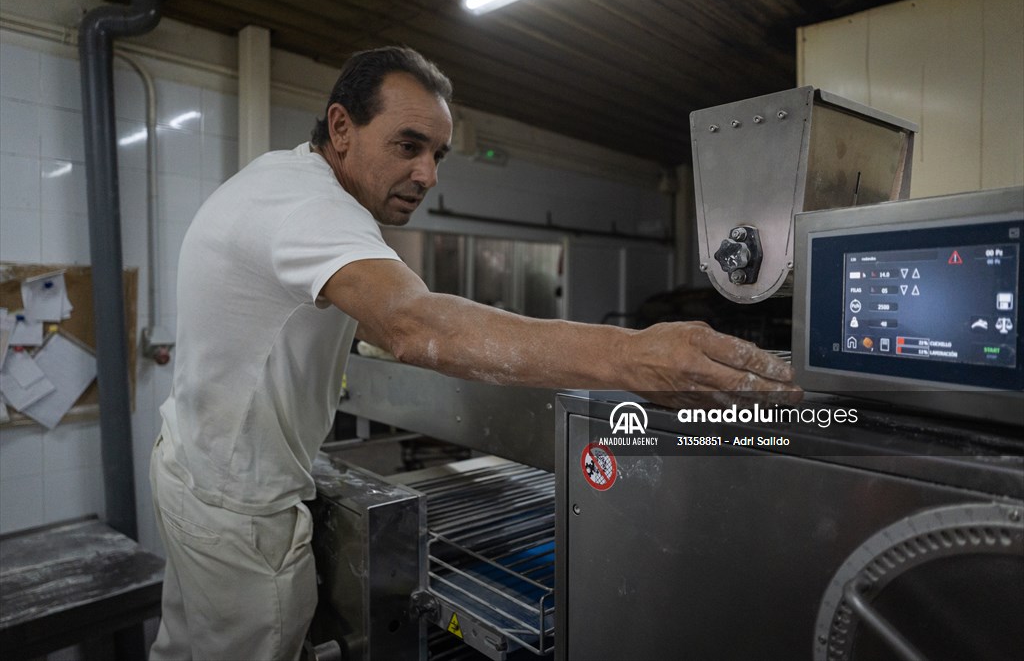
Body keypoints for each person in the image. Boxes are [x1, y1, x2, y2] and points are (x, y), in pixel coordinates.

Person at [149, 46, 798, 660]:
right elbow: (413, 324)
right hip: (240, 516)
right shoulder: (307, 205)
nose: (427, 174)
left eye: (438, 153)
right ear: (341, 127)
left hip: (197, 471)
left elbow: (371, 317)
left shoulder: (284, 183)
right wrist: (633, 355)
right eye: (408, 145)